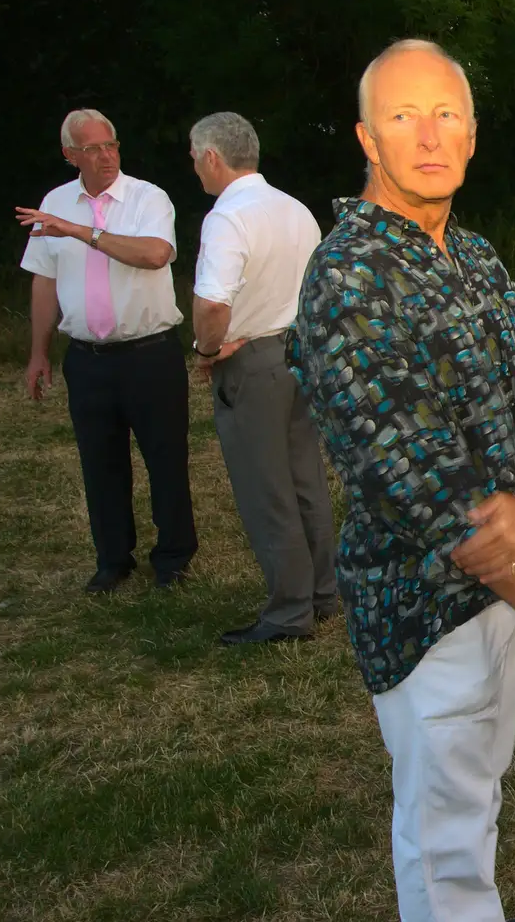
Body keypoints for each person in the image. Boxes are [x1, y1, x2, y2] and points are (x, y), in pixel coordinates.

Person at [287, 38, 515, 922]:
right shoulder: (348, 279)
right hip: (424, 608)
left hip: (507, 589)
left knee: (463, 807)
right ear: (367, 136)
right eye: (403, 115)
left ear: (472, 136)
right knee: (448, 844)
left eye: (447, 115)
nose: (428, 135)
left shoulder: (471, 253)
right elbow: (420, 488)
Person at [16, 109, 197, 593]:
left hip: (149, 353)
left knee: (165, 457)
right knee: (100, 462)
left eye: (111, 144)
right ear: (70, 155)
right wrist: (39, 353)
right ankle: (113, 558)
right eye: (92, 148)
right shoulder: (55, 202)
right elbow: (44, 282)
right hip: (87, 358)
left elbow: (155, 254)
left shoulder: (146, 198)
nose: (106, 156)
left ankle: (174, 557)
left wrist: (81, 232)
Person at [187, 111, 337, 645]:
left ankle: (288, 613)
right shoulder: (295, 210)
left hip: (252, 361)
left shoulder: (228, 217)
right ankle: (323, 592)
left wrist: (207, 349)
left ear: (212, 156)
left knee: (264, 487)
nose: (195, 169)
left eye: (194, 158)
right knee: (305, 481)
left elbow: (211, 303)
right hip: (301, 354)